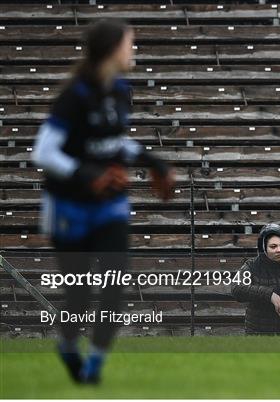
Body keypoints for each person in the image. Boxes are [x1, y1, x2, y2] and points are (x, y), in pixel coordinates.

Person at [32, 19, 174, 384]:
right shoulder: (75, 96)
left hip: (109, 204)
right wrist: (86, 174)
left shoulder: (119, 90)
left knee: (114, 282)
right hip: (68, 207)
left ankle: (93, 364)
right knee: (78, 297)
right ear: (112, 50)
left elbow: (114, 144)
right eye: (130, 44)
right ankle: (67, 344)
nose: (134, 52)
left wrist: (153, 162)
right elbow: (44, 152)